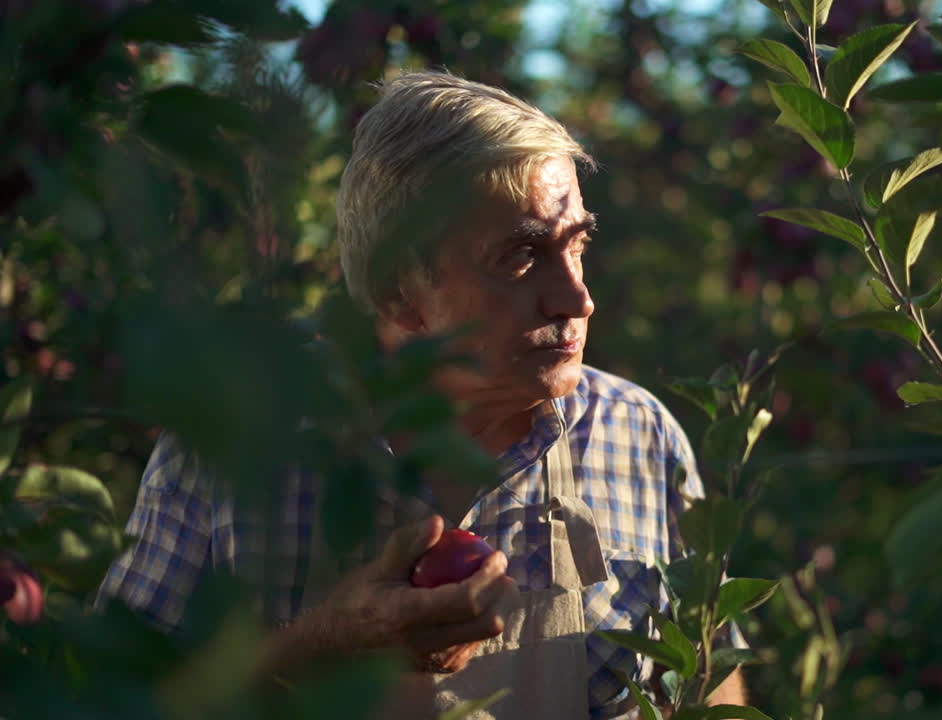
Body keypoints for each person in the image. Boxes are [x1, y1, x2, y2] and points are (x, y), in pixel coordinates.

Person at [96, 70, 746, 718]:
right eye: (521, 255)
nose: (578, 297)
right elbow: (116, 701)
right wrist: (321, 647)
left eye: (576, 245)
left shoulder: (638, 438)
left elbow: (708, 686)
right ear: (399, 290)